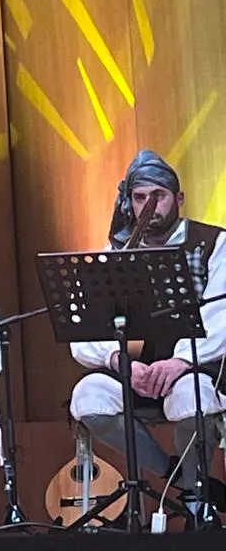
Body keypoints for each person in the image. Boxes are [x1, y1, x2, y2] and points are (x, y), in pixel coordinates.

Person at [69, 150, 226, 500]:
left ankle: (197, 496)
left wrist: (180, 362)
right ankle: (175, 475)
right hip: (140, 371)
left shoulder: (214, 243)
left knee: (192, 395)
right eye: (140, 198)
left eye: (159, 196)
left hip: (200, 368)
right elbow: (86, 327)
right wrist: (121, 362)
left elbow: (223, 314)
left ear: (179, 199)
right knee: (87, 396)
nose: (149, 206)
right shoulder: (117, 252)